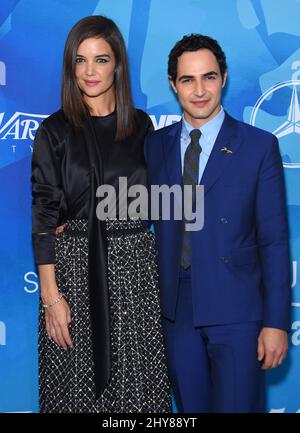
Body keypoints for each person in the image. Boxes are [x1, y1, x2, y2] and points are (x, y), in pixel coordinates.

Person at [31, 15, 171, 413]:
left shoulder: (142, 126)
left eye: (101, 59)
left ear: (119, 64)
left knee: (138, 392)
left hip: (136, 272)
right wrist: (51, 298)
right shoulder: (54, 130)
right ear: (70, 66)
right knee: (75, 390)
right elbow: (43, 214)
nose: (90, 71)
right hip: (74, 272)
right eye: (80, 60)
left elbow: (159, 200)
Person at [144, 34, 291, 413]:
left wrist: (276, 323)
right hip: (177, 312)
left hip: (238, 313)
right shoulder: (153, 146)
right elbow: (131, 208)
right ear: (173, 84)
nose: (199, 90)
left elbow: (274, 241)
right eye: (188, 80)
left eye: (208, 77)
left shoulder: (258, 146)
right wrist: (69, 216)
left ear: (223, 78)